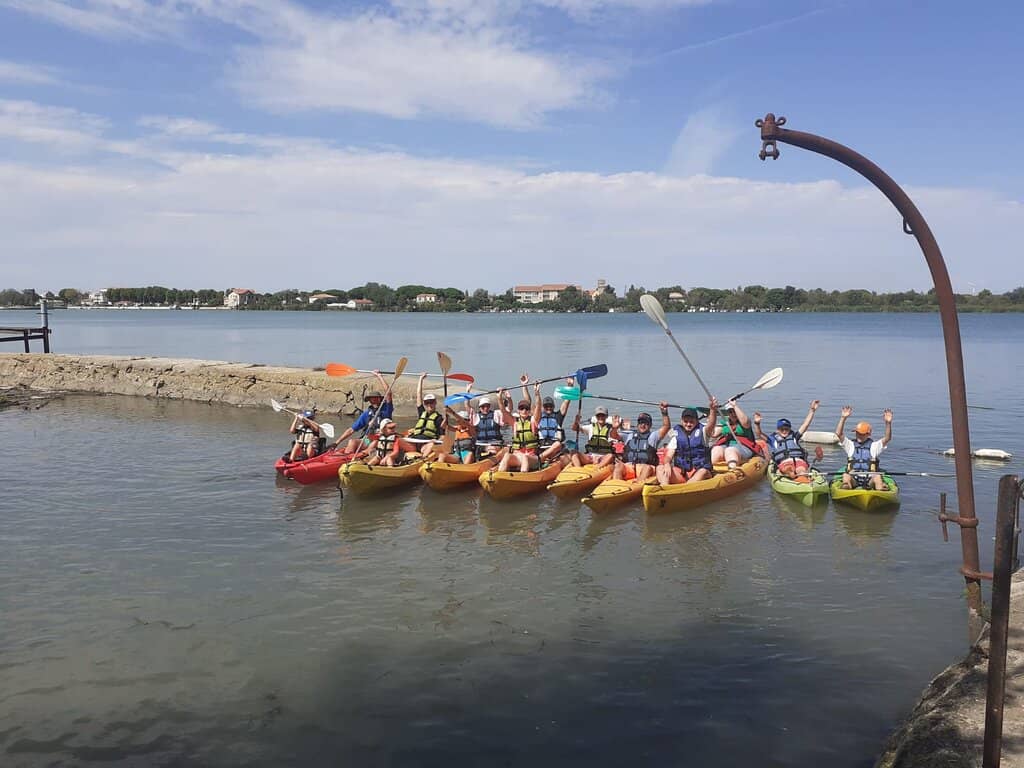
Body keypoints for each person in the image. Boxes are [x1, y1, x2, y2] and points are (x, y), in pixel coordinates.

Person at [752, 400, 820, 478]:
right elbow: (759, 434)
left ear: (790, 429)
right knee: (788, 469)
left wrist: (812, 411)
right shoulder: (773, 439)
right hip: (784, 462)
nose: (784, 431)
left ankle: (802, 477)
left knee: (801, 470)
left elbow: (806, 424)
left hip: (799, 461)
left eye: (786, 429)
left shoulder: (795, 436)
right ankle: (790, 473)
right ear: (777, 430)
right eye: (782, 429)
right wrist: (757, 423)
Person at [657, 399, 717, 486]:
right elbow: (669, 455)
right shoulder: (676, 435)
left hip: (701, 473)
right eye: (686, 421)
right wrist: (666, 464)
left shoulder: (703, 432)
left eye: (691, 422)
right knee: (660, 468)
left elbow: (711, 425)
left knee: (702, 472)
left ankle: (683, 491)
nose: (688, 424)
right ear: (681, 421)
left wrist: (712, 410)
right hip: (684, 473)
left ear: (696, 421)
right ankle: (664, 490)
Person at [332, 370, 393, 453]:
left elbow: (388, 393)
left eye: (375, 397)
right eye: (371, 398)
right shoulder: (367, 414)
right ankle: (345, 459)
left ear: (380, 399)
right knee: (352, 442)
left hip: (381, 439)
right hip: (368, 440)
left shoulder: (386, 409)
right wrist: (337, 442)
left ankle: (363, 456)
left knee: (374, 443)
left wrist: (379, 376)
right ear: (369, 400)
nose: (373, 399)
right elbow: (351, 430)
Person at [835, 406, 894, 490]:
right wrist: (843, 418)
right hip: (854, 478)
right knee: (845, 476)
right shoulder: (850, 445)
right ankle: (846, 488)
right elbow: (838, 433)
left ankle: (880, 490)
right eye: (857, 433)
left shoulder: (874, 446)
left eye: (861, 433)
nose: (858, 435)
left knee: (877, 477)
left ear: (868, 434)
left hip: (870, 479)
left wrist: (888, 423)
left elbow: (887, 438)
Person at [613, 402, 671, 481]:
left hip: (647, 469)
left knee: (647, 468)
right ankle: (616, 485)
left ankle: (638, 485)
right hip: (630, 467)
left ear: (650, 425)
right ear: (637, 424)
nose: (643, 425)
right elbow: (613, 436)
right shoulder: (629, 435)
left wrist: (664, 413)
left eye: (646, 423)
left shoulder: (653, 437)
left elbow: (666, 427)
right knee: (618, 466)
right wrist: (615, 428)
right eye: (640, 423)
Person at [398, 373, 445, 460]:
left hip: (425, 444)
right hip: (414, 442)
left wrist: (437, 441)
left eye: (431, 402)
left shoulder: (439, 418)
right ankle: (397, 460)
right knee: (398, 440)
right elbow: (418, 395)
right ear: (424, 404)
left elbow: (442, 435)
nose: (429, 405)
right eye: (427, 403)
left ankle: (421, 460)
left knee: (431, 445)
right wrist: (421, 379)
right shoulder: (422, 413)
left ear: (435, 403)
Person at [710, 400, 760, 469]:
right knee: (716, 449)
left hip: (744, 447)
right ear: (727, 413)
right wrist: (712, 414)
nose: (733, 414)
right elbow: (713, 434)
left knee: (730, 450)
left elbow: (745, 422)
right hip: (727, 446)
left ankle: (733, 469)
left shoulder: (745, 422)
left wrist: (734, 406)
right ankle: (712, 470)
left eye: (734, 411)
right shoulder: (724, 422)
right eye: (730, 412)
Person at [536, 383, 571, 463]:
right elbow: (532, 403)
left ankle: (542, 459)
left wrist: (570, 386)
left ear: (554, 406)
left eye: (550, 406)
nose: (549, 408)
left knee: (565, 454)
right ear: (543, 407)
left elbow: (566, 401)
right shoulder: (538, 417)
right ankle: (542, 459)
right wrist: (537, 392)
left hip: (555, 447)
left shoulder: (558, 416)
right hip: (541, 447)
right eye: (546, 406)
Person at [471, 395, 506, 459]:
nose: (485, 408)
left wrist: (500, 398)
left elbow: (507, 410)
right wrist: (468, 391)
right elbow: (467, 406)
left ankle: (494, 462)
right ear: (479, 407)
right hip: (481, 444)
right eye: (483, 407)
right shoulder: (476, 417)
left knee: (495, 449)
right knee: (491, 449)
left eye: (487, 406)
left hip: (495, 442)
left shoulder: (496, 414)